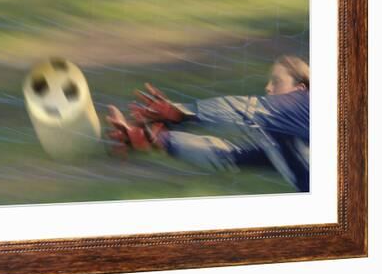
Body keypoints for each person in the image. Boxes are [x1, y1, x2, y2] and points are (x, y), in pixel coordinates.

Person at [106, 55, 310, 192]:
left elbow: (242, 109)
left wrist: (182, 113)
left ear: (300, 89)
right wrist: (160, 140)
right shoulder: (281, 140)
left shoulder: (306, 103)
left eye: (276, 81)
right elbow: (226, 155)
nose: (268, 87)